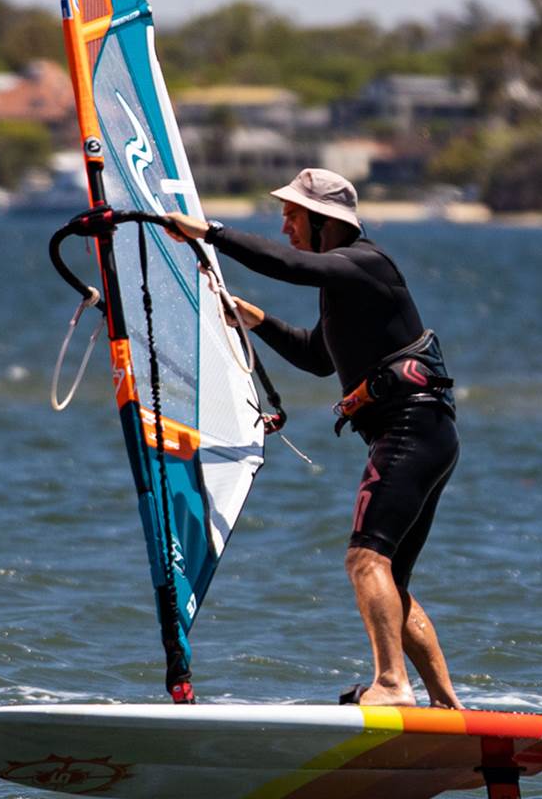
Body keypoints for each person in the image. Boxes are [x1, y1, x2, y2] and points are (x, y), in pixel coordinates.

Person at [164, 169, 461, 710]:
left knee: (365, 560)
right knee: (389, 575)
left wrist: (210, 233)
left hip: (410, 429)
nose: (284, 227)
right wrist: (256, 320)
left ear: (325, 222)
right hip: (426, 431)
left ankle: (392, 684)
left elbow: (291, 266)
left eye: (292, 216)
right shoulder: (343, 284)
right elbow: (318, 357)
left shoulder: (365, 263)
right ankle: (447, 706)